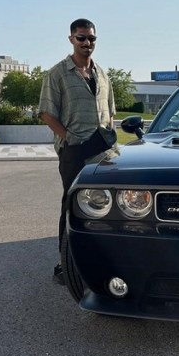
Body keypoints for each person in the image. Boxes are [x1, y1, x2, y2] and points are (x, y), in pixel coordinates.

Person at [39, 19, 116, 284]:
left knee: (106, 204)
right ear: (71, 39)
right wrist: (69, 138)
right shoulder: (58, 73)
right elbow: (47, 113)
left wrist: (111, 140)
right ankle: (65, 261)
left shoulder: (103, 74)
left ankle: (104, 258)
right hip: (75, 149)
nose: (87, 43)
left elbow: (111, 112)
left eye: (91, 38)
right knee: (72, 204)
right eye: (81, 38)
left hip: (104, 150)